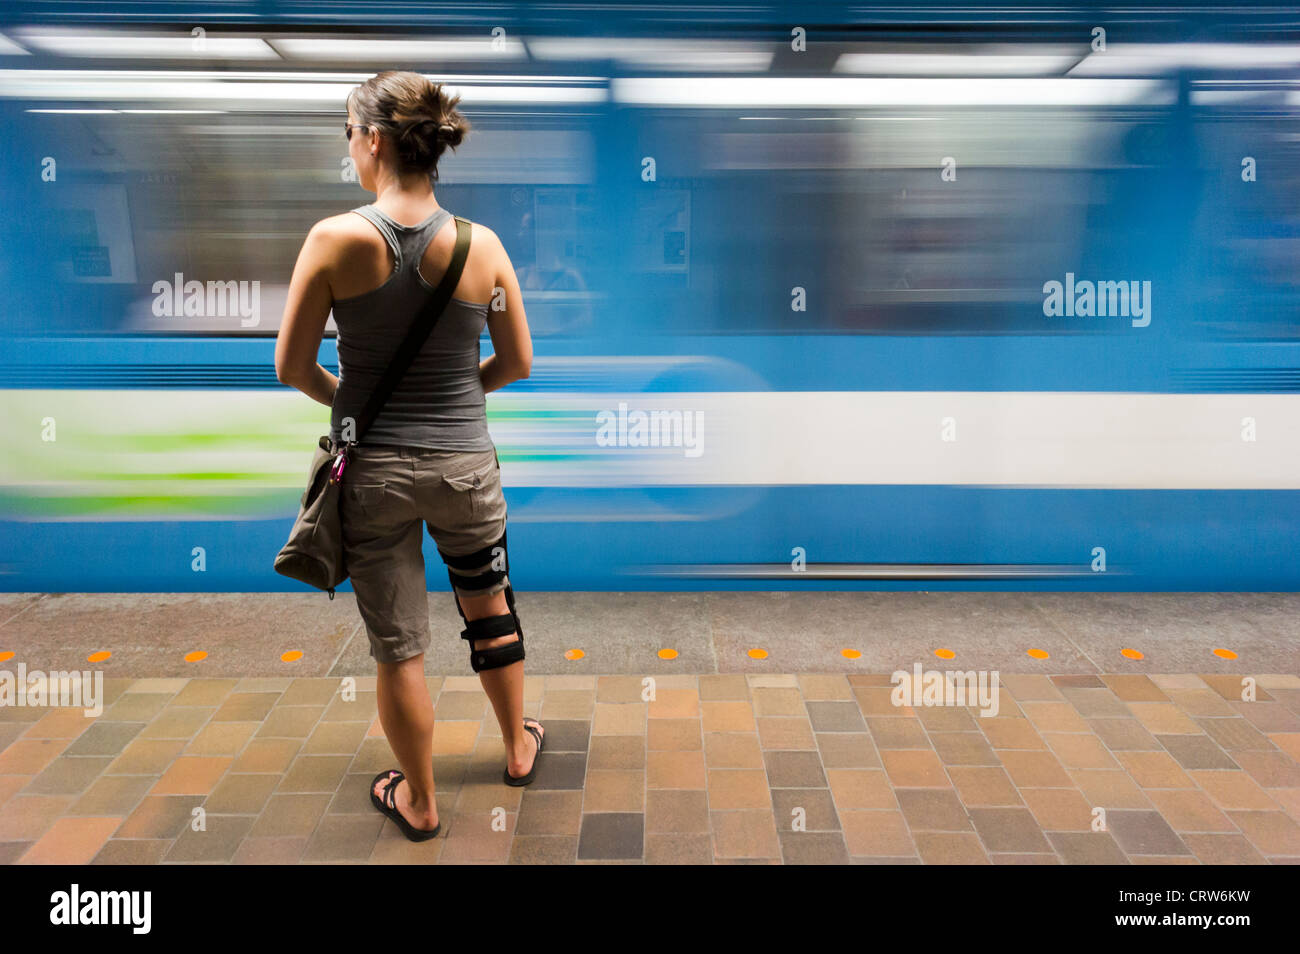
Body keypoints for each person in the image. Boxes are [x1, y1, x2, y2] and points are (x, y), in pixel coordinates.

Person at [274, 70, 539, 842]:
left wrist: (357, 410)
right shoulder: (483, 248)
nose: (349, 148)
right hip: (465, 468)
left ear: (375, 139)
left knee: (401, 648)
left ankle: (420, 802)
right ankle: (517, 750)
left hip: (376, 476)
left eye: (349, 135)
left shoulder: (333, 240)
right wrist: (459, 398)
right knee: (490, 609)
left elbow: (292, 367)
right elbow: (518, 361)